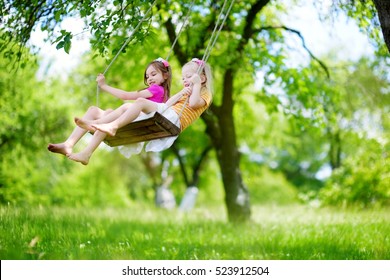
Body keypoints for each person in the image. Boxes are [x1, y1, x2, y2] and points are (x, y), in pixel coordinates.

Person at [68, 58, 213, 165]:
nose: (185, 80)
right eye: (183, 78)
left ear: (202, 78)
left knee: (136, 103)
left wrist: (196, 85)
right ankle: (96, 128)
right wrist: (181, 93)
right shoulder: (186, 92)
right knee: (130, 105)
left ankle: (105, 125)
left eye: (188, 77)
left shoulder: (204, 94)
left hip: (174, 119)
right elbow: (168, 104)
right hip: (167, 112)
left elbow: (194, 104)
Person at [47, 57, 172, 157]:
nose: (149, 78)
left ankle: (93, 125)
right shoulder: (159, 92)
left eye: (153, 74)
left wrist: (104, 86)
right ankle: (71, 145)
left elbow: (125, 95)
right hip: (132, 118)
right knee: (95, 110)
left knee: (126, 106)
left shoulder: (157, 89)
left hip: (140, 120)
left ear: (165, 75)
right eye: (147, 76)